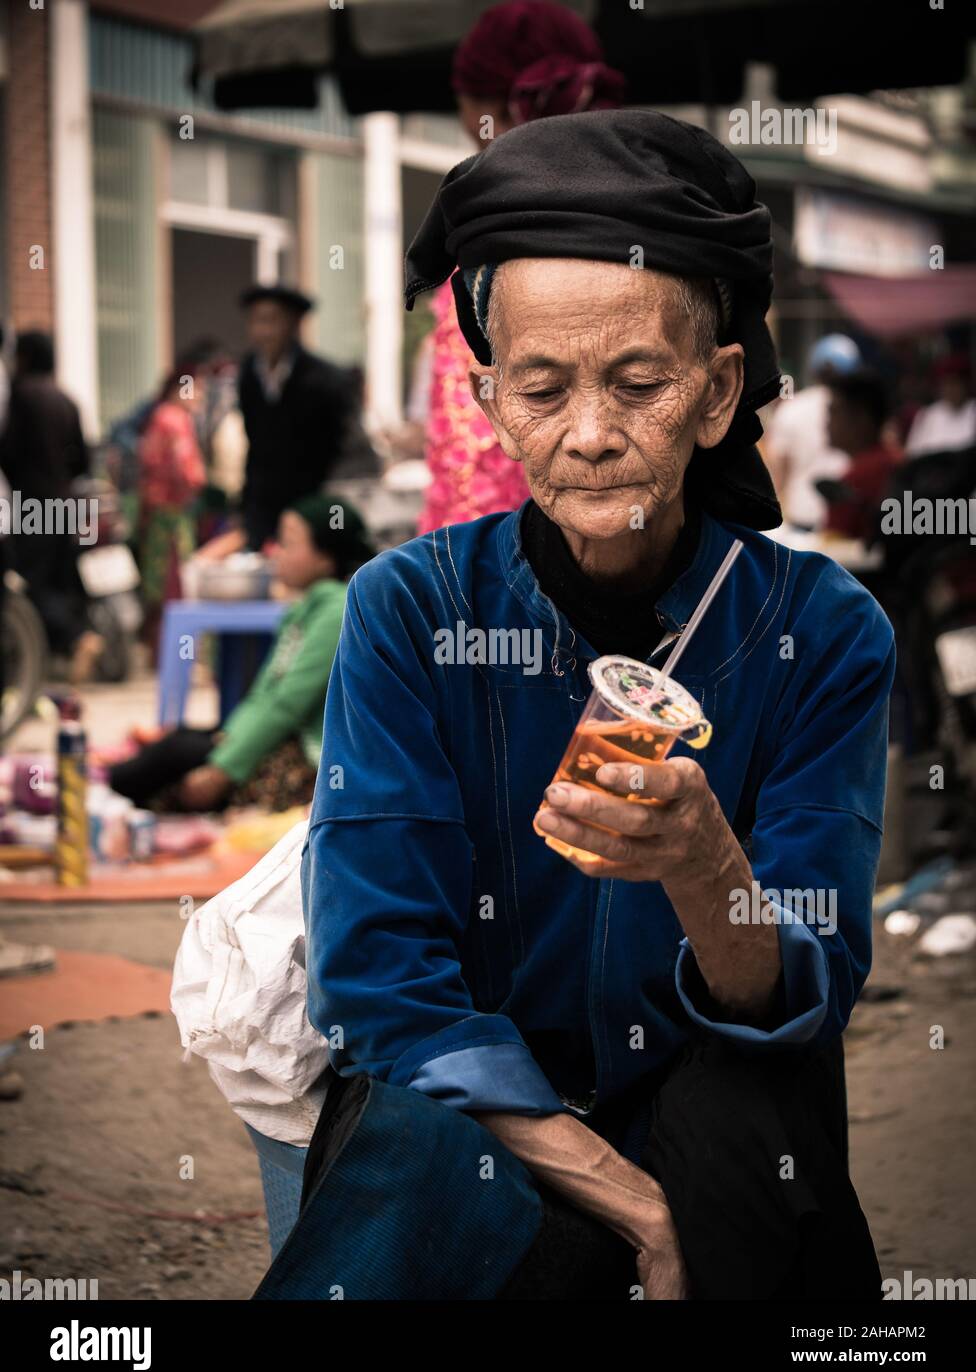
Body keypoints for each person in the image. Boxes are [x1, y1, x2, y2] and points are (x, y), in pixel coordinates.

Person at [290, 110, 896, 1303]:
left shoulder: (822, 632)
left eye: (638, 383)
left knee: (745, 1147)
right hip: (481, 1103)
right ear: (490, 401)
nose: (589, 436)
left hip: (708, 1086)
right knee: (418, 1153)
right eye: (541, 387)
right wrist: (633, 1206)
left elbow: (807, 981)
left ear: (718, 392)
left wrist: (703, 862)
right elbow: (377, 977)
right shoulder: (407, 611)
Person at [416, 0, 626, 534]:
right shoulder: (618, 210)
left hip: (510, 549)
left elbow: (474, 453)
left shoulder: (503, 229)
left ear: (509, 110)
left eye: (470, 109)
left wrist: (455, 573)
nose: (470, 130)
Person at [109, 495, 374, 814]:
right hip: (277, 742)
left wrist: (224, 768)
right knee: (180, 744)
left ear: (325, 557)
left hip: (303, 759)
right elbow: (265, 694)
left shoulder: (335, 610)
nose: (276, 552)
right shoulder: (307, 608)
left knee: (172, 758)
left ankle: (103, 784)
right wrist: (230, 737)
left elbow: (287, 704)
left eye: (289, 543)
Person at [0, 330, 102, 683]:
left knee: (30, 585)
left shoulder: (21, 396)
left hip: (32, 506)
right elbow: (83, 461)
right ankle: (69, 645)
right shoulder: (67, 400)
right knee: (62, 584)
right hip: (66, 504)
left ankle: (75, 638)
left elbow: (8, 453)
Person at [237, 285, 354, 551]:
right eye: (256, 321)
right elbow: (254, 444)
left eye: (272, 320)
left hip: (312, 504)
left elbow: (343, 449)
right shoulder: (247, 375)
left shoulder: (325, 379)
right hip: (262, 508)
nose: (263, 331)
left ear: (294, 324)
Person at [136, 366, 207, 658]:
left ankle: (159, 651)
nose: (200, 396)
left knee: (159, 584)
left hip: (155, 512)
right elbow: (188, 472)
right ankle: (176, 654)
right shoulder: (176, 420)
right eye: (197, 389)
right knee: (176, 585)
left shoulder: (158, 416)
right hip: (172, 515)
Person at [764, 333, 862, 530]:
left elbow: (777, 474)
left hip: (800, 519)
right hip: (847, 520)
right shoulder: (859, 413)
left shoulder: (792, 409)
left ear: (815, 370)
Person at [824, 369, 902, 543]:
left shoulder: (858, 477)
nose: (827, 421)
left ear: (861, 418)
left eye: (834, 412)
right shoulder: (898, 461)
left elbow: (835, 543)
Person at [904, 352, 976, 458]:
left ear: (966, 384)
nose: (951, 389)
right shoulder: (928, 415)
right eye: (946, 384)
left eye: (955, 383)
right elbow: (912, 453)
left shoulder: (973, 410)